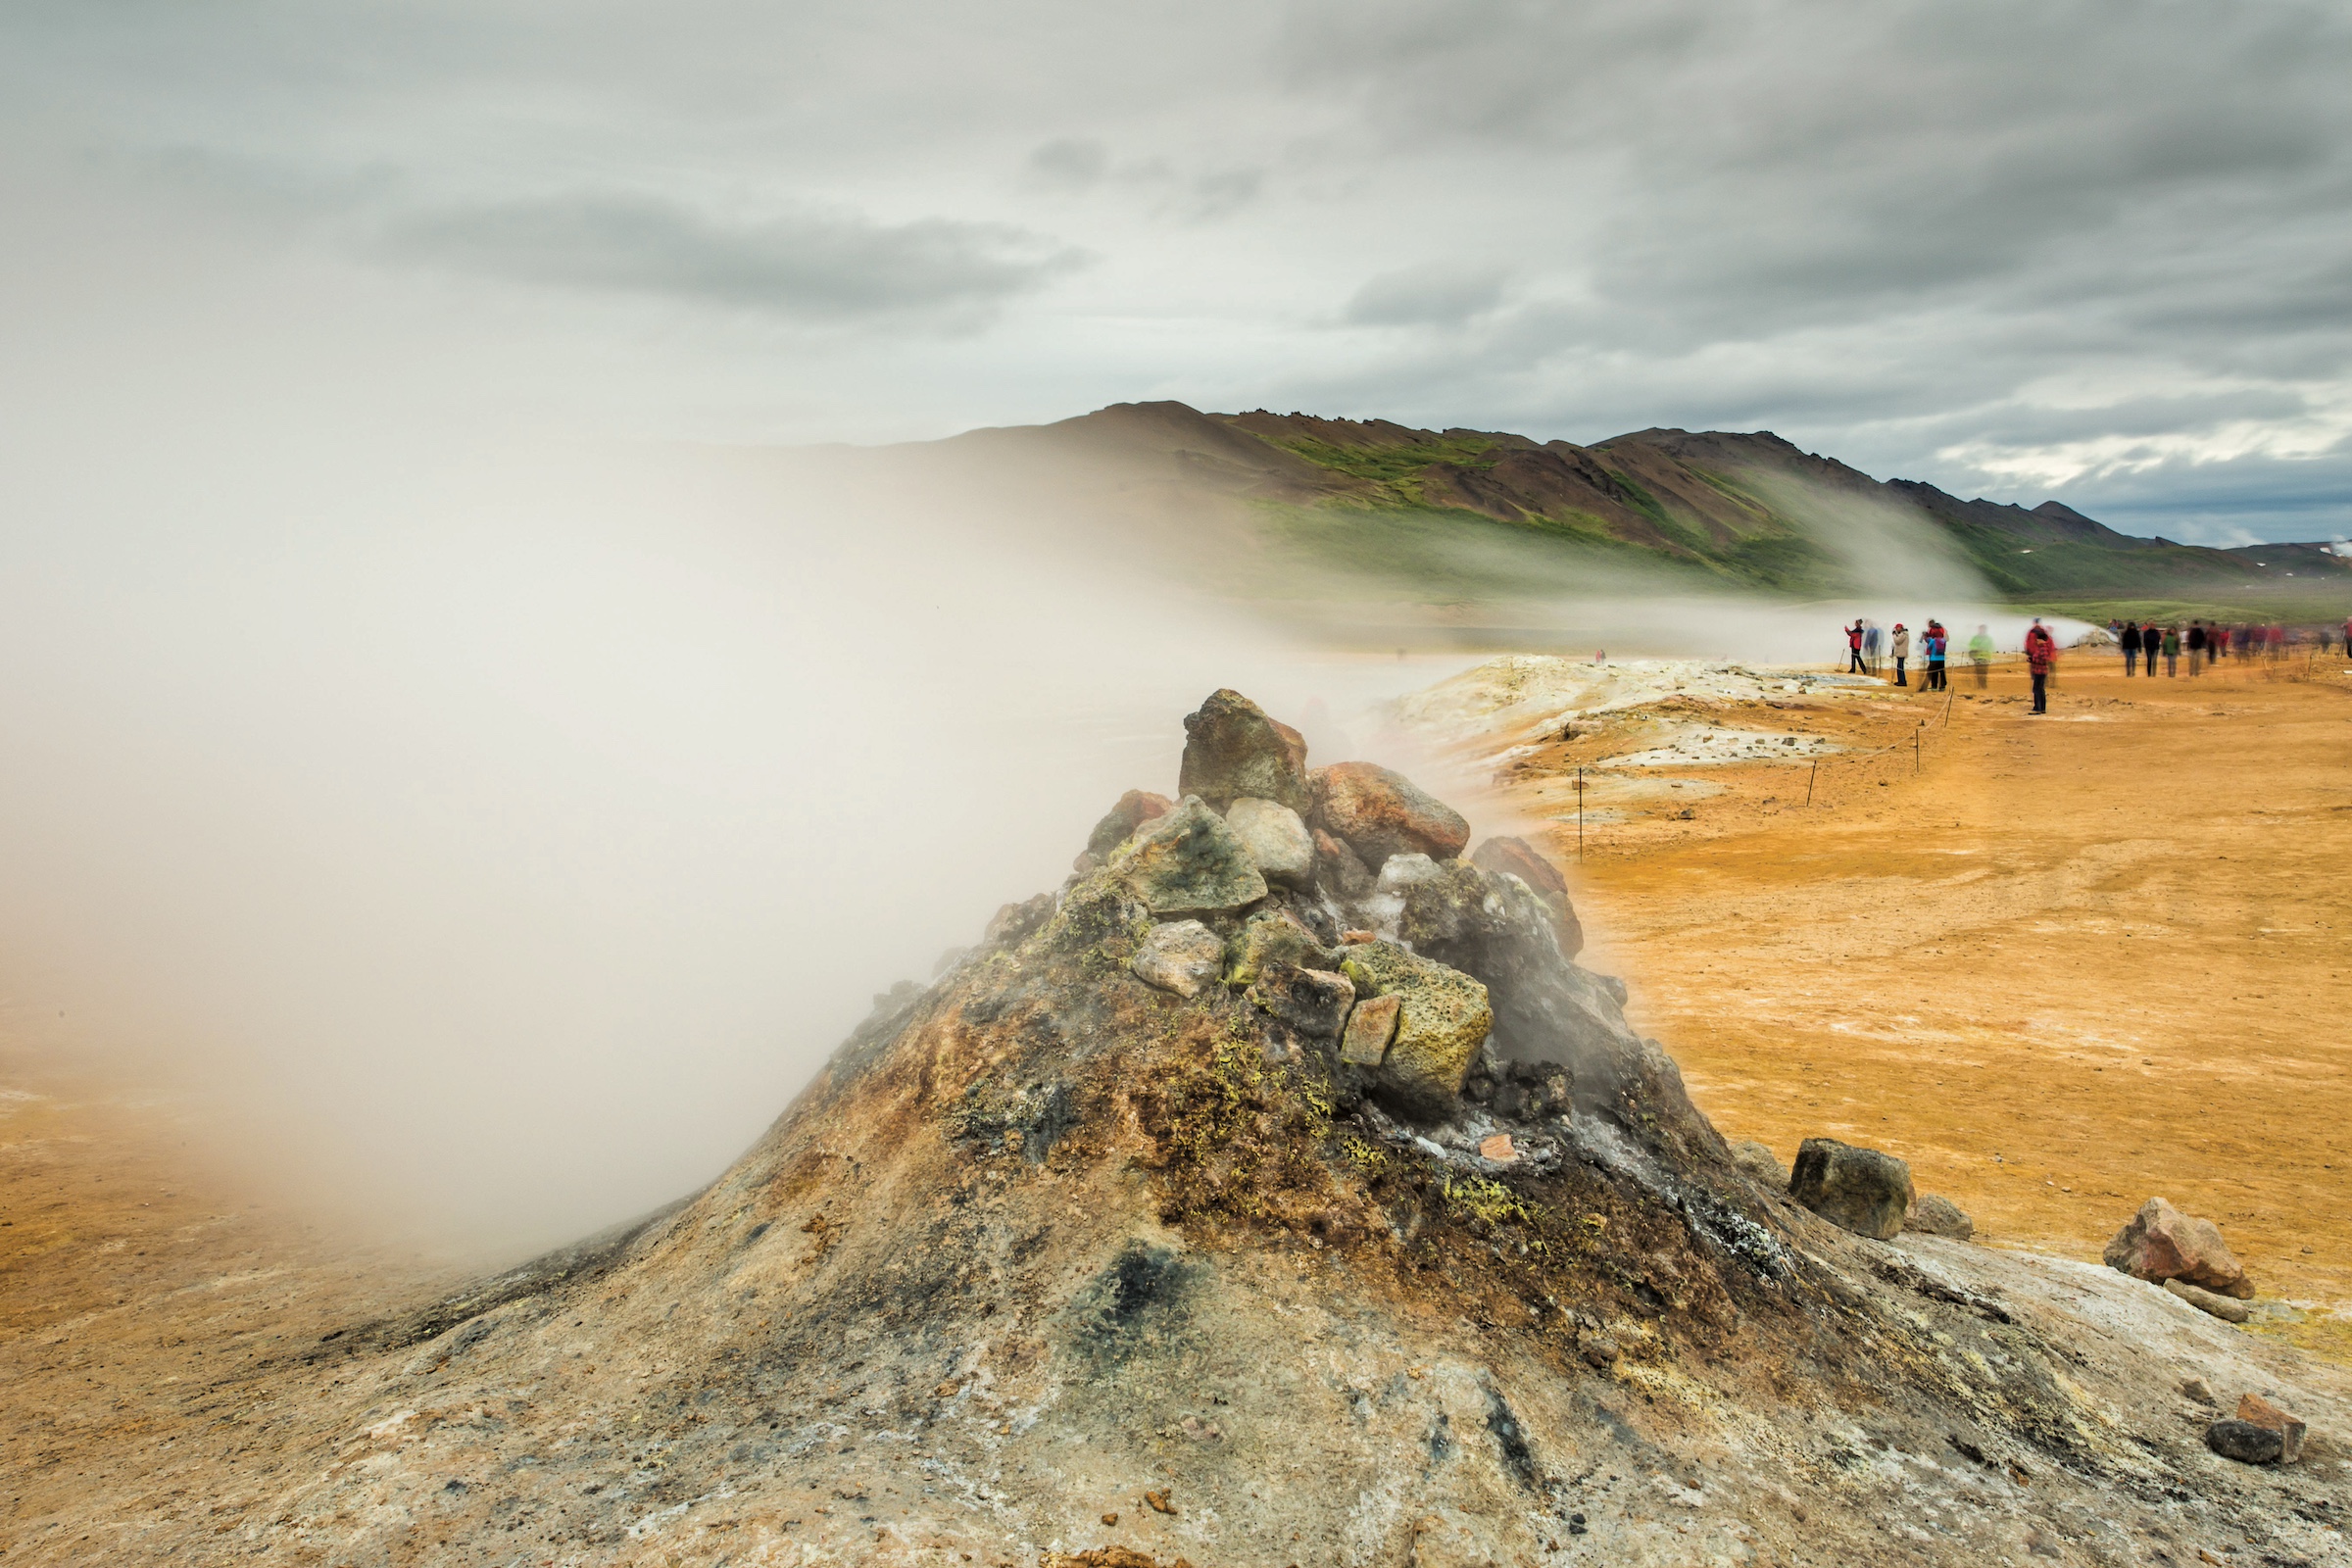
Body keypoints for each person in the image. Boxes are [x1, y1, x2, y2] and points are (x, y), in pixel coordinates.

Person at [2025, 617, 2057, 713]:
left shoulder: (2042, 647)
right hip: (2040, 670)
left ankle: (2038, 708)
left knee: (2037, 689)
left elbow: (2043, 659)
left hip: (2040, 671)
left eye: (2038, 639)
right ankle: (2040, 707)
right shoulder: (2043, 644)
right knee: (2039, 688)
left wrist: (2032, 659)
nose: (2036, 641)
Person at [1924, 619, 1948, 691]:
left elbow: (1929, 647)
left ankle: (1934, 686)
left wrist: (1927, 638)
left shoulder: (1933, 640)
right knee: (1942, 672)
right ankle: (1942, 686)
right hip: (1942, 658)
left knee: (1933, 672)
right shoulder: (1943, 640)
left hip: (1934, 658)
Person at [1968, 622, 1994, 687]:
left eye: (1983, 629)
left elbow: (1991, 647)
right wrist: (1976, 649)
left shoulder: (1989, 638)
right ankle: (1979, 684)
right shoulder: (1975, 638)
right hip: (1977, 657)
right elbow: (1971, 645)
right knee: (1978, 671)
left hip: (1986, 657)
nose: (1981, 630)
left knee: (1984, 672)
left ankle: (1983, 684)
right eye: (1980, 629)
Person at [1890, 621, 1910, 686]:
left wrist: (1894, 635)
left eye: (1897, 628)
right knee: (1899, 667)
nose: (1896, 629)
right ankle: (1900, 680)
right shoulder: (1902, 634)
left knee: (1900, 668)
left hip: (1902, 652)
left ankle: (1902, 681)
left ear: (1900, 628)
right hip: (1900, 652)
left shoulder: (1903, 634)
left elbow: (1897, 641)